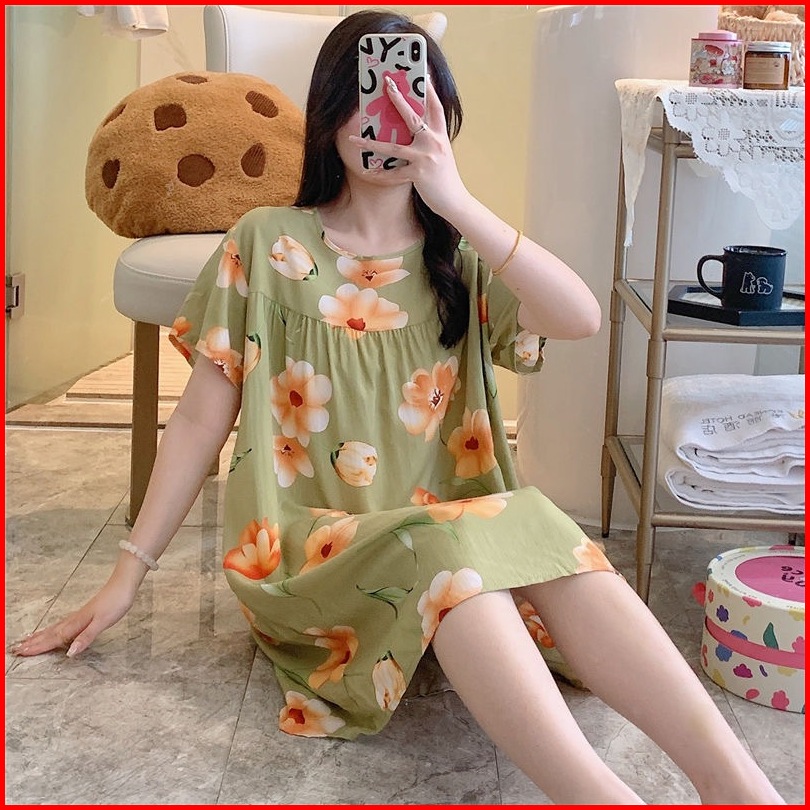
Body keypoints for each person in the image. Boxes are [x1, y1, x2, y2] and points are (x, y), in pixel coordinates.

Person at [11, 10, 785, 805]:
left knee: (519, 533)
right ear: (328, 116)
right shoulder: (267, 242)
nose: (386, 116)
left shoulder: (457, 259)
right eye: (364, 95)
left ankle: (739, 789)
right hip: (309, 551)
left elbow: (580, 317)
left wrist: (457, 201)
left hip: (445, 540)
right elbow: (200, 420)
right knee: (452, 551)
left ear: (440, 117)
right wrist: (127, 575)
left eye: (410, 95)